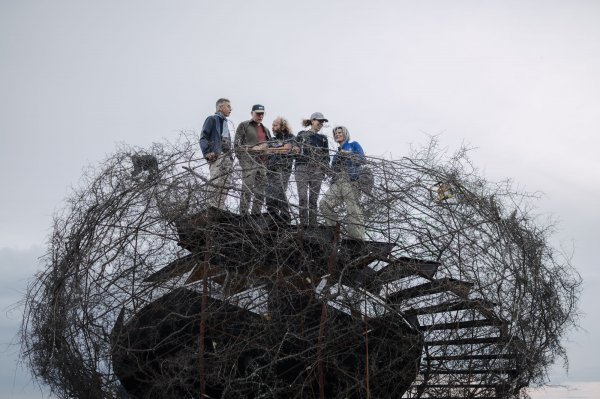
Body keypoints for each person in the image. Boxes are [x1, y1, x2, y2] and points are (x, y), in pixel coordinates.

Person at [319, 125, 366, 239]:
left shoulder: (353, 145)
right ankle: (334, 233)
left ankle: (357, 240)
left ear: (345, 133)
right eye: (335, 133)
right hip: (337, 181)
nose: (337, 134)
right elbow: (333, 170)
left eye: (340, 132)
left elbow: (362, 159)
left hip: (351, 180)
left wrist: (348, 154)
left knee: (353, 210)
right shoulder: (336, 153)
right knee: (324, 203)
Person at [235, 104, 272, 215]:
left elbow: (269, 148)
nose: (260, 116)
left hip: (262, 164)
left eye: (262, 114)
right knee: (247, 190)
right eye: (258, 113)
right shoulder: (244, 125)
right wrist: (244, 161)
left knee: (260, 193)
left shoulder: (266, 130)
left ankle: (256, 216)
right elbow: (237, 146)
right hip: (249, 162)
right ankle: (243, 216)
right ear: (252, 113)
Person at [295, 112, 330, 227]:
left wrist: (324, 168)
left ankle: (313, 226)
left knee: (313, 200)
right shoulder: (302, 134)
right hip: (302, 168)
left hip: (317, 170)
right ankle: (304, 225)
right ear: (312, 121)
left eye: (322, 122)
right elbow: (295, 150)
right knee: (303, 197)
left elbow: (326, 157)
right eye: (319, 121)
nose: (320, 123)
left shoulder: (323, 139)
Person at [199, 98, 234, 209]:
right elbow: (203, 137)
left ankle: (220, 208)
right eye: (228, 106)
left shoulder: (225, 124)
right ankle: (211, 208)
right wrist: (207, 152)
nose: (230, 109)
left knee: (226, 184)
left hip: (227, 157)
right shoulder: (212, 119)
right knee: (216, 181)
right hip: (216, 156)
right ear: (220, 107)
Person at [265, 117, 297, 223]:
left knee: (279, 191)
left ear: (282, 126)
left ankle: (285, 216)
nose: (272, 127)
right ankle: (271, 217)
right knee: (269, 195)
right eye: (272, 125)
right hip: (270, 169)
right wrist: (276, 150)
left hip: (283, 168)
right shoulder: (272, 139)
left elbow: (286, 149)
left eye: (275, 125)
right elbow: (267, 152)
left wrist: (273, 150)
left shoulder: (291, 137)